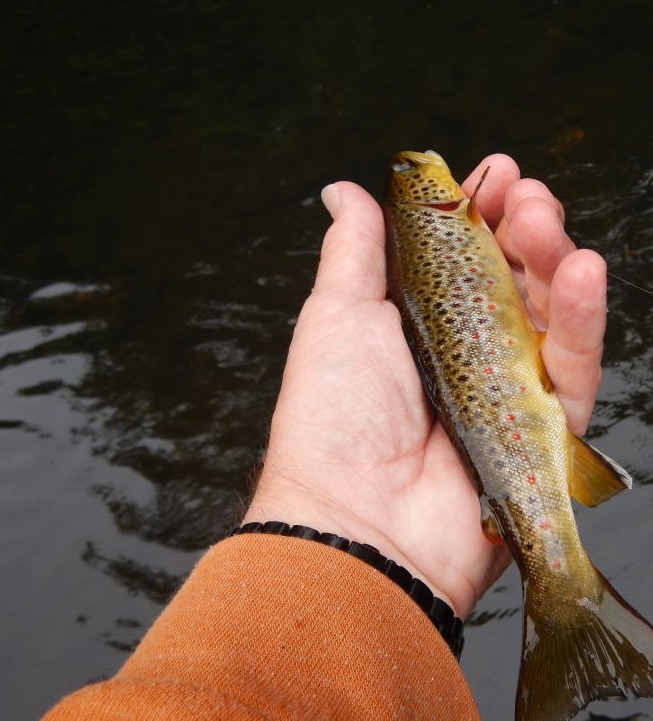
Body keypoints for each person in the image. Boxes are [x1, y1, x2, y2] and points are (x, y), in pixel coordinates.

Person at [43, 154, 608, 720]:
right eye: (411, 172)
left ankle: (565, 610)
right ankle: (566, 606)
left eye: (407, 172)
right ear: (437, 201)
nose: (414, 167)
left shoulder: (443, 231)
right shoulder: (445, 222)